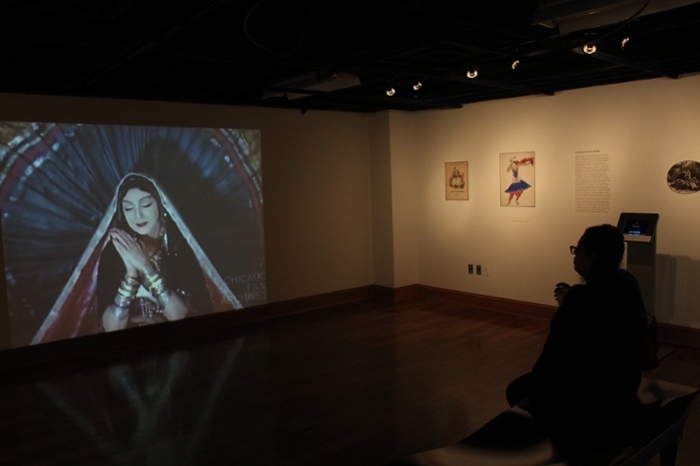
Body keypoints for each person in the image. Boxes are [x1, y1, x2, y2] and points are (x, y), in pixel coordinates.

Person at [506, 224, 647, 462]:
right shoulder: (626, 281)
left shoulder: (581, 299)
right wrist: (572, 298)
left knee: (516, 389)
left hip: (592, 397)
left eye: (577, 251)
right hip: (625, 384)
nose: (574, 256)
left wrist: (567, 304)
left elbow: (555, 355)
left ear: (592, 258)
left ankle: (558, 442)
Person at [98, 174, 213, 331]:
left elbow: (180, 315)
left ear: (160, 204)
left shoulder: (180, 244)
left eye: (145, 205)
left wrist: (146, 268)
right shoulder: (115, 252)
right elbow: (111, 328)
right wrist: (130, 276)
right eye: (129, 208)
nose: (138, 216)